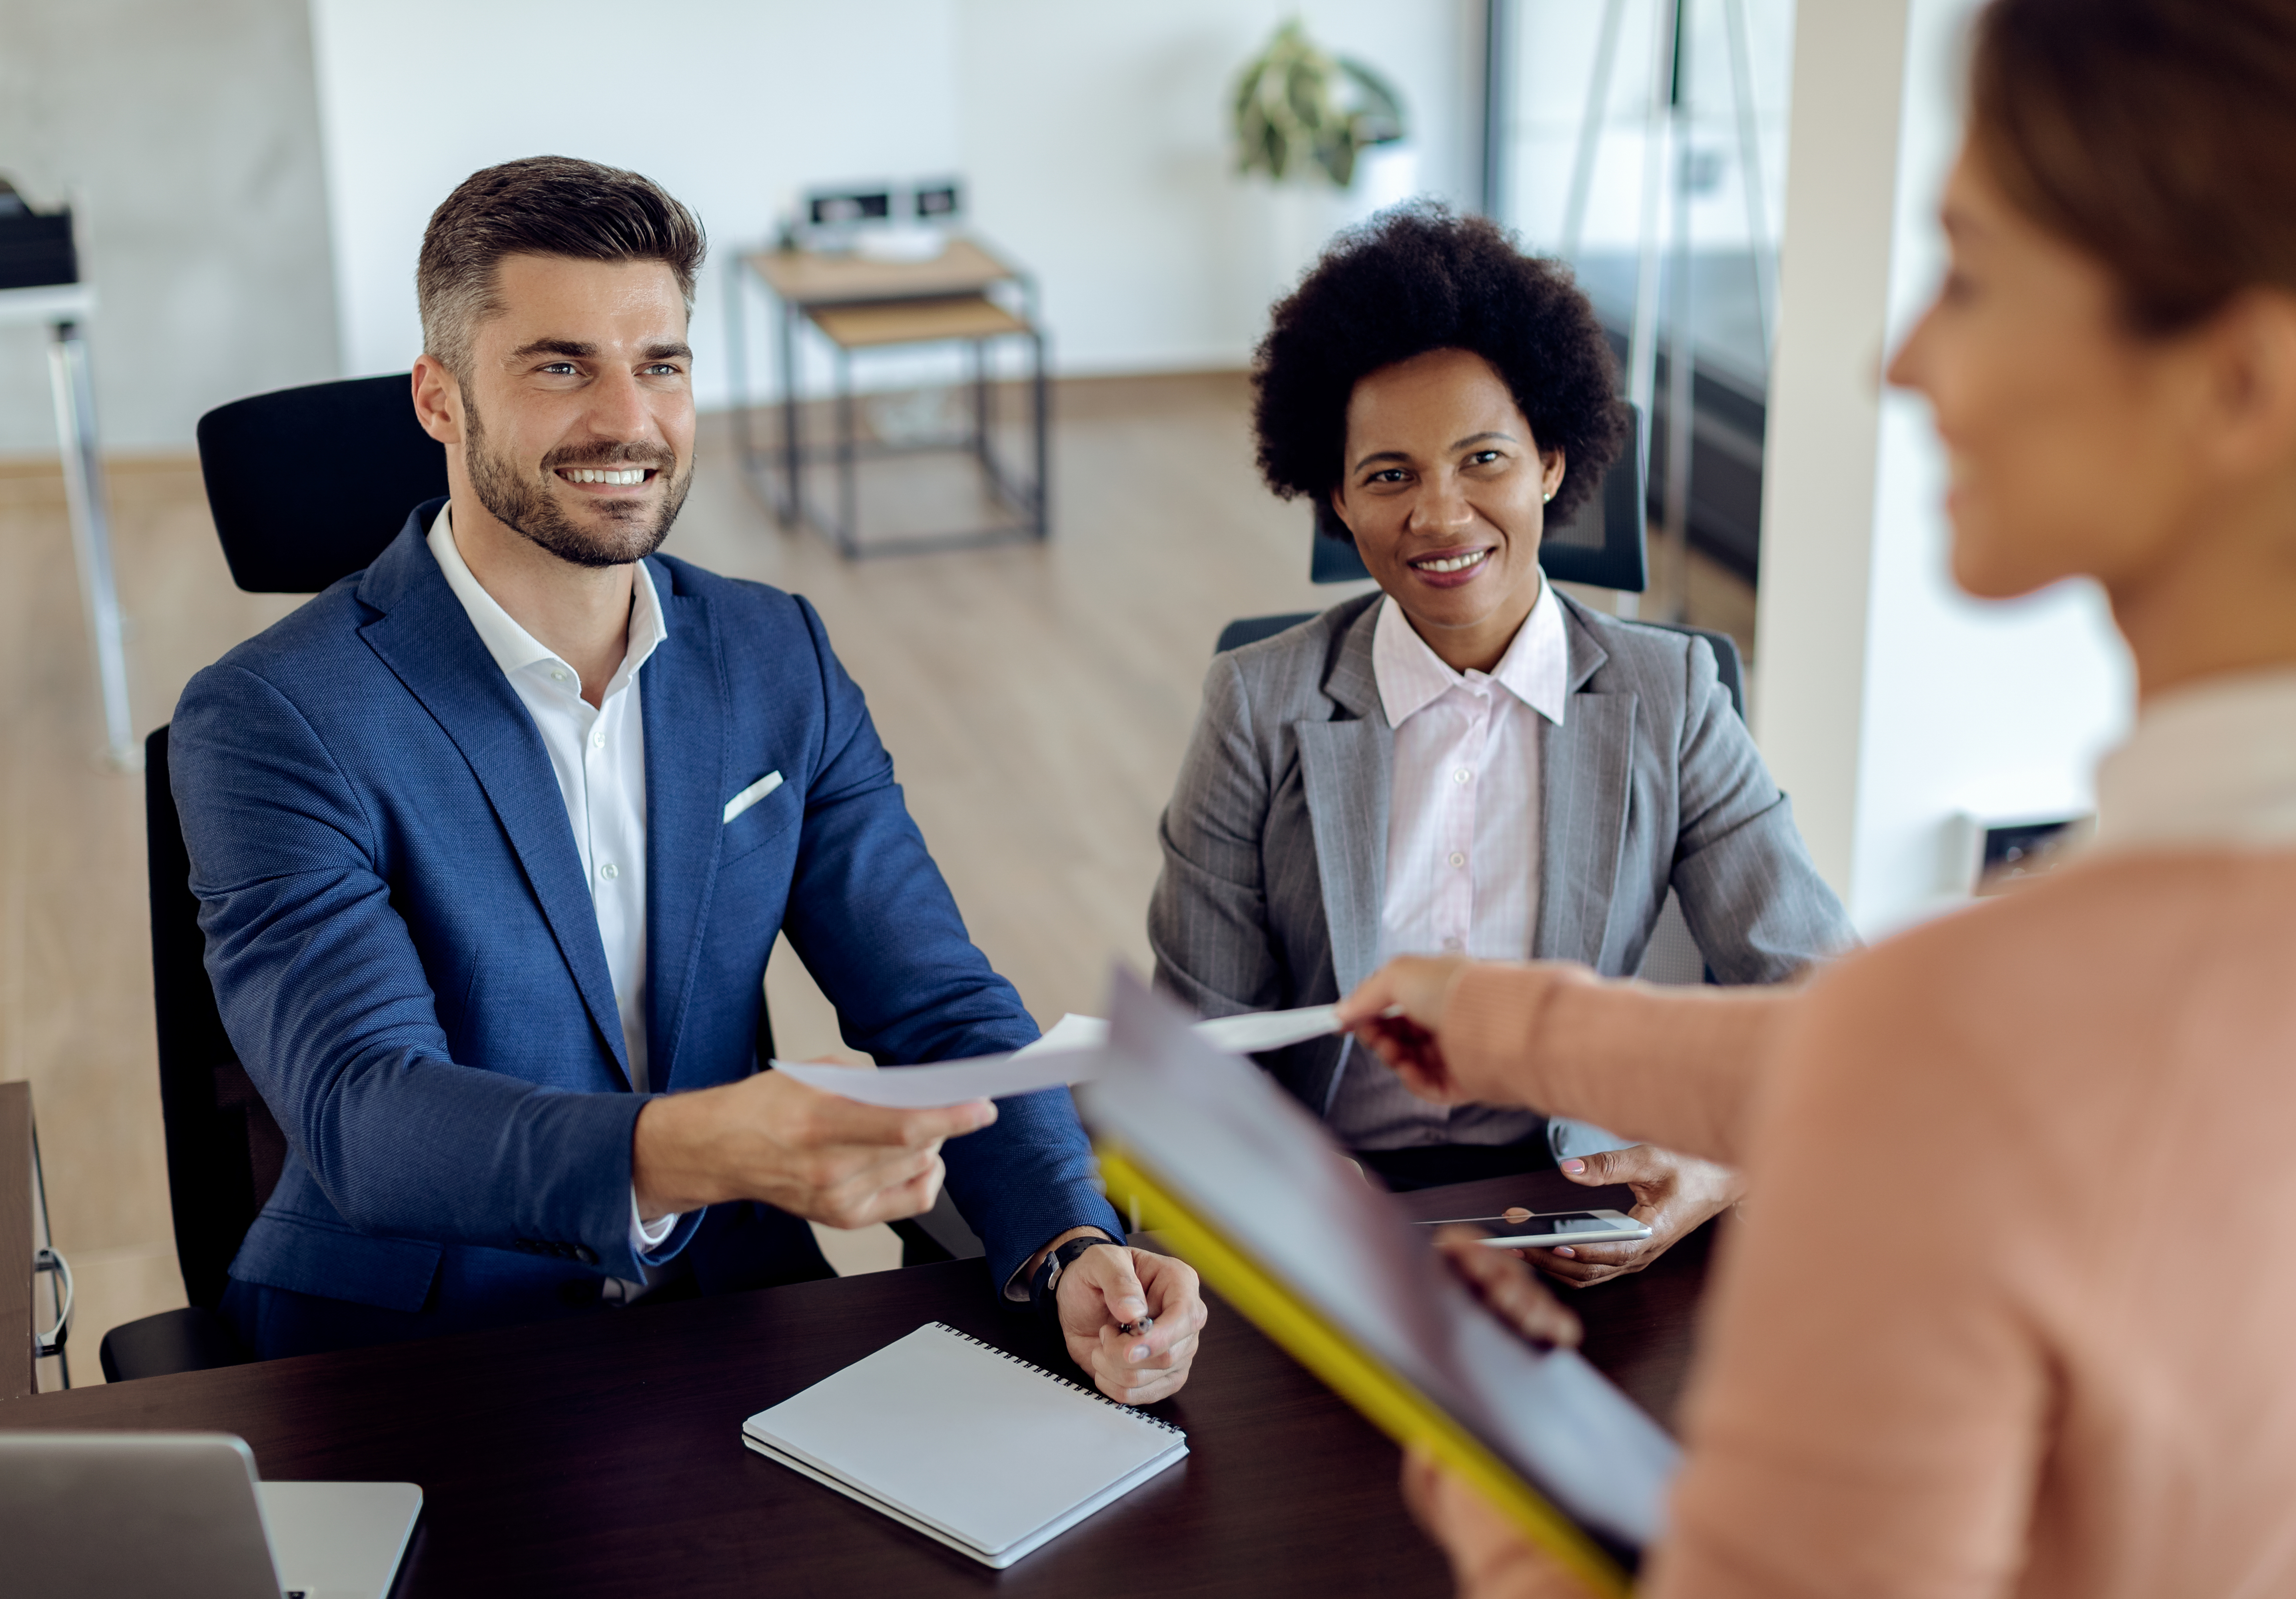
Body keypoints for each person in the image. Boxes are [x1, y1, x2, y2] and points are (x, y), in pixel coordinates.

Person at [1343, 0, 2296, 1590]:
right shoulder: (2059, 1017)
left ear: (2242, 379)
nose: (1902, 356)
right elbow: (1941, 1069)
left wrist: (1500, 1474)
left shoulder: (1961, 1039)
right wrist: (1517, 1030)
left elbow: (1934, 1076)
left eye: (1973, 273)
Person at [173, 157, 1203, 1401]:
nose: (628, 421)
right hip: (420, 1345)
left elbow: (938, 1006)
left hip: (731, 1310)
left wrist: (1068, 1240)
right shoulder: (272, 714)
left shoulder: (777, 656)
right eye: (562, 366)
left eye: (661, 365)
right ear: (439, 399)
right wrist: (697, 1150)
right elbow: (364, 1113)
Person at [1148, 205, 1850, 1284]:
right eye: (1389, 476)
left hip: (1583, 1198)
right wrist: (1282, 1182)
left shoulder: (1671, 695)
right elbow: (1201, 1042)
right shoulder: (1258, 703)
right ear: (1335, 497)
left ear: (1553, 462)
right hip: (1324, 1216)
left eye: (1483, 459)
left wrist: (1714, 1172)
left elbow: (1819, 995)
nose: (1441, 514)